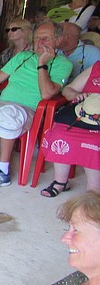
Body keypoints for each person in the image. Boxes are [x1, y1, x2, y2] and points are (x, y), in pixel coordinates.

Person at [0, 20, 72, 190]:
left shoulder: (64, 64)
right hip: (1, 104)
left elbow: (47, 93)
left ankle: (2, 171)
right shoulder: (23, 57)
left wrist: (42, 64)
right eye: (37, 38)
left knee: (7, 114)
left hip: (29, 111)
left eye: (45, 39)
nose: (40, 43)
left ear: (58, 40)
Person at [40, 62, 100, 196]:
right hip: (82, 115)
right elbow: (68, 89)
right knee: (61, 133)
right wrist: (74, 95)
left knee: (94, 142)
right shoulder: (97, 67)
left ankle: (94, 190)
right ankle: (60, 181)